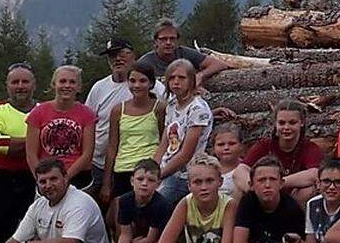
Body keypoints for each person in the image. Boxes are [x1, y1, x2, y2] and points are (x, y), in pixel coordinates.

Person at [87, 38, 167, 199]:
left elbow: (168, 125)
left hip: (145, 166)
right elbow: (88, 123)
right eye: (112, 56)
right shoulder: (99, 88)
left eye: (122, 54)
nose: (117, 59)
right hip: (101, 163)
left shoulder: (157, 91)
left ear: (133, 55)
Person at [0, 63, 38, 243]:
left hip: (34, 179)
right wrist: (34, 138)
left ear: (34, 85)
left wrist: (15, 142)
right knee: (0, 229)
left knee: (32, 231)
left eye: (25, 81)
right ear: (7, 86)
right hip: (2, 181)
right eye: (15, 82)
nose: (20, 86)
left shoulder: (43, 110)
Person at [101, 61, 167, 206]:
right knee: (120, 215)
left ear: (151, 83)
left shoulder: (159, 108)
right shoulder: (118, 110)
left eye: (142, 81)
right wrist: (106, 182)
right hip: (123, 168)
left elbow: (165, 139)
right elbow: (112, 147)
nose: (137, 85)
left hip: (149, 169)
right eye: (132, 81)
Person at [233, 99, 324, 204]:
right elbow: (239, 171)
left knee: (309, 189)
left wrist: (278, 183)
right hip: (261, 198)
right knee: (238, 188)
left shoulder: (309, 148)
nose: (286, 127)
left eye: (292, 122)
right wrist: (254, 188)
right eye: (281, 123)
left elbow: (315, 174)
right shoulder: (265, 145)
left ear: (302, 123)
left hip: (290, 201)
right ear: (275, 124)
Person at [154, 59, 214, 204]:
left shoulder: (198, 109)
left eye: (181, 78)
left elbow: (185, 155)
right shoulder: (172, 105)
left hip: (182, 173)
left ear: (191, 80)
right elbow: (164, 143)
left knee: (156, 203)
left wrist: (159, 175)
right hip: (165, 168)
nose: (176, 82)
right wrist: (151, 170)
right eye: (172, 78)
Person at [25, 65, 96, 190]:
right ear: (54, 84)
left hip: (78, 177)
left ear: (79, 87)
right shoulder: (38, 112)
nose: (67, 85)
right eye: (62, 81)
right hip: (46, 177)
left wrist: (65, 177)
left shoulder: (87, 114)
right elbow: (31, 153)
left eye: (72, 82)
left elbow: (87, 154)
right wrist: (42, 178)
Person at [136, 17, 229, 83]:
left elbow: (219, 64)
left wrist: (200, 76)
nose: (168, 42)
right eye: (164, 39)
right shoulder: (145, 62)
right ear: (156, 41)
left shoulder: (185, 53)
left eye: (172, 39)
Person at [211, 123, 244, 197]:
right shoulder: (208, 170)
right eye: (221, 144)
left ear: (241, 146)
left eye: (232, 144)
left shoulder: (246, 170)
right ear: (213, 148)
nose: (226, 148)